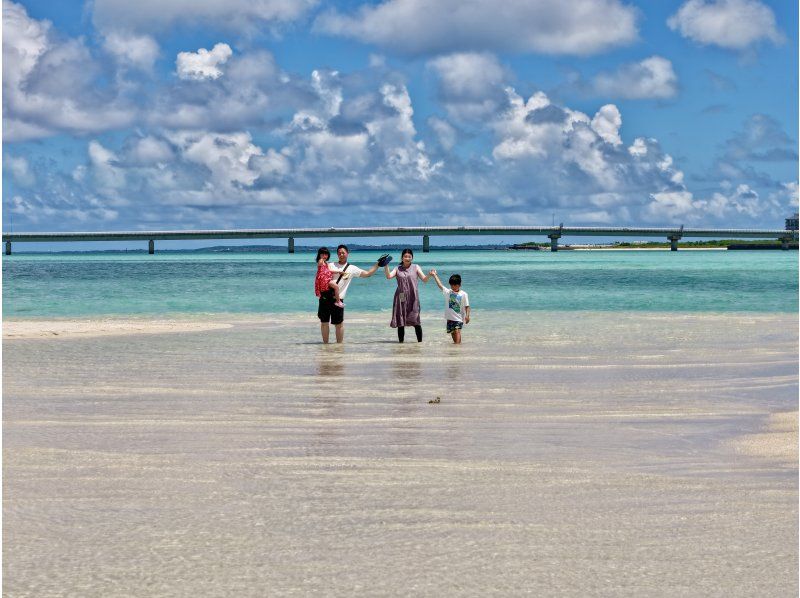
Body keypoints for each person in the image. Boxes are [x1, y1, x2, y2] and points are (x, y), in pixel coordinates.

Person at [319, 245, 391, 344]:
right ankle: (325, 347)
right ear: (337, 254)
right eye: (339, 253)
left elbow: (367, 274)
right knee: (324, 323)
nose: (341, 254)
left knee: (339, 324)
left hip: (338, 299)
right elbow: (320, 275)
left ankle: (339, 348)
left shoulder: (352, 268)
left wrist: (378, 264)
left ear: (347, 253)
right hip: (325, 297)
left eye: (343, 252)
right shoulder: (330, 265)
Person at [384, 247, 432, 342]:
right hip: (401, 296)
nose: (407, 258)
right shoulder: (397, 268)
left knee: (416, 321)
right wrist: (386, 265)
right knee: (401, 321)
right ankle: (401, 346)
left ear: (412, 258)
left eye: (409, 256)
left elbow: (425, 280)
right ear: (402, 258)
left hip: (413, 297)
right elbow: (389, 276)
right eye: (405, 256)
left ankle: (420, 344)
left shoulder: (416, 267)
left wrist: (430, 274)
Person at [430, 270, 470, 344]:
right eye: (452, 285)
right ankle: (456, 352)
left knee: (457, 331)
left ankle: (457, 348)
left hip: (459, 319)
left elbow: (467, 306)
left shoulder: (463, 294)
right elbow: (440, 285)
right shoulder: (448, 292)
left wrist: (467, 316)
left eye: (455, 285)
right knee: (453, 335)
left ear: (459, 285)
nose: (453, 287)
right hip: (449, 319)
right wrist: (434, 275)